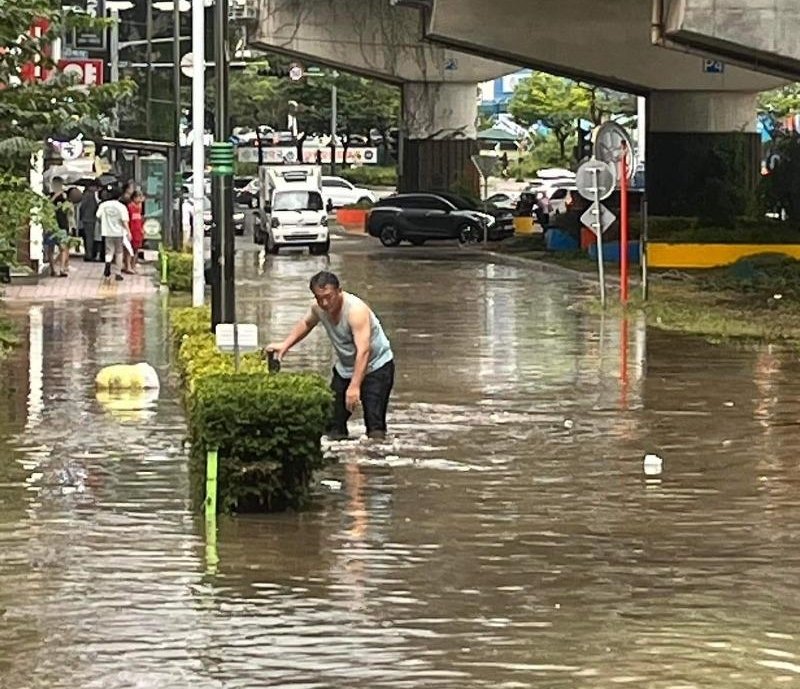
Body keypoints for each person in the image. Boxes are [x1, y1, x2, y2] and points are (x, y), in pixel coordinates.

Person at [267, 271, 395, 440]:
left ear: (339, 291)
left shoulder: (356, 311)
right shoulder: (318, 308)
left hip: (376, 367)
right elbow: (306, 323)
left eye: (329, 297)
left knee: (374, 425)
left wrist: (355, 386)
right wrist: (285, 345)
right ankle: (339, 462)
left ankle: (376, 462)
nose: (325, 303)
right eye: (319, 298)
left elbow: (364, 350)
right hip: (345, 369)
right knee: (332, 423)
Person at [96, 185, 131, 282]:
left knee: (109, 250)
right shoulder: (121, 206)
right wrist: (128, 232)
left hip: (107, 231)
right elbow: (124, 221)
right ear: (120, 196)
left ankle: (108, 264)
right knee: (119, 252)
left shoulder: (103, 205)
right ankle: (118, 272)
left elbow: (98, 216)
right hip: (118, 232)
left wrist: (104, 222)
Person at [79, 180, 101, 261]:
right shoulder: (88, 195)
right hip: (88, 219)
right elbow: (82, 206)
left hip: (89, 218)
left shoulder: (90, 195)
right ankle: (89, 254)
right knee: (89, 238)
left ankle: (89, 253)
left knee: (89, 238)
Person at [125, 190, 144, 273]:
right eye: (139, 197)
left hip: (138, 230)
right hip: (131, 229)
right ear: (134, 198)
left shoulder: (140, 207)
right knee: (129, 249)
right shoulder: (129, 207)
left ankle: (133, 265)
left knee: (136, 249)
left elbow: (140, 219)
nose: (141, 199)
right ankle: (128, 266)